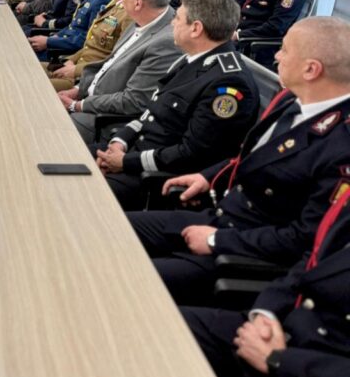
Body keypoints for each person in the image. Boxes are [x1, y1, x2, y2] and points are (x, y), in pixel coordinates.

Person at [128, 17, 350, 307]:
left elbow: (304, 238)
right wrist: (208, 177)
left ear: (311, 69)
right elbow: (250, 157)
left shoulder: (341, 143)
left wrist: (216, 241)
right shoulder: (290, 100)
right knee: (115, 228)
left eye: (285, 50)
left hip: (245, 251)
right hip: (222, 217)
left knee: (127, 279)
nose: (276, 56)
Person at [181, 185, 350, 377]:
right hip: (283, 329)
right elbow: (311, 262)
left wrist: (279, 361)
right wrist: (265, 314)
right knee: (155, 329)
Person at [93, 0, 259, 209]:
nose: (172, 23)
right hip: (133, 154)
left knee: (74, 191)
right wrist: (120, 141)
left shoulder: (228, 83)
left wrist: (125, 162)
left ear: (196, 29)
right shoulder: (192, 60)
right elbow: (151, 113)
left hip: (155, 178)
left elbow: (192, 154)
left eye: (178, 18)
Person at [59, 0, 180, 143]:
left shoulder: (166, 42)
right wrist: (78, 90)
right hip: (92, 100)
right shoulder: (142, 20)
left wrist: (78, 105)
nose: (121, 1)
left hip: (106, 120)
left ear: (138, 3)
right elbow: (109, 66)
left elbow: (134, 100)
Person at [45, 0, 141, 91]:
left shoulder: (128, 15)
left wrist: (75, 70)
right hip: (77, 66)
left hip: (86, 79)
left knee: (31, 83)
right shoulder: (113, 4)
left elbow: (115, 59)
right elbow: (91, 44)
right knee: (28, 68)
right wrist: (70, 60)